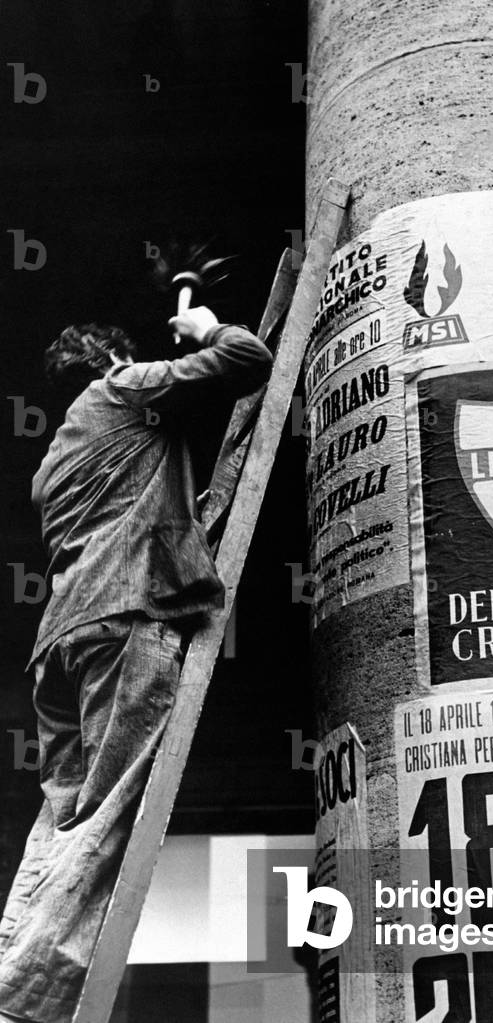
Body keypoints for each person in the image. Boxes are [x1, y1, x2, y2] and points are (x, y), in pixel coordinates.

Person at [0, 307, 273, 1023]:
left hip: (62, 641)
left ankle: (9, 970)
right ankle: (28, 1003)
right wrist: (205, 327)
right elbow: (247, 357)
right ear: (110, 359)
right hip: (125, 618)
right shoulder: (121, 389)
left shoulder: (54, 457)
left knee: (61, 822)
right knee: (109, 812)